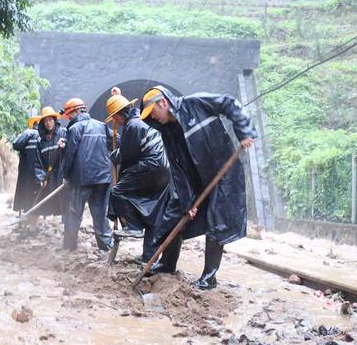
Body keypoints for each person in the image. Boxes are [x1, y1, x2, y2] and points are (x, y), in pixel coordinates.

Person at [140, 86, 257, 289]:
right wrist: (187, 202)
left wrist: (244, 132)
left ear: (163, 102)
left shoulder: (195, 103)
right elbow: (177, 169)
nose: (153, 118)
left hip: (223, 174)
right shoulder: (168, 130)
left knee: (216, 223)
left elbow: (230, 104)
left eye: (152, 113)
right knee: (174, 216)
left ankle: (209, 277)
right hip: (195, 180)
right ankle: (167, 265)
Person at [105, 92, 171, 263]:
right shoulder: (141, 121)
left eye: (115, 117)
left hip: (150, 166)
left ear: (120, 115)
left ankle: (132, 226)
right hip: (163, 170)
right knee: (153, 214)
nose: (115, 122)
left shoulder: (133, 125)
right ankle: (150, 259)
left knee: (117, 192)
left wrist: (115, 155)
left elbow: (127, 154)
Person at [60, 97, 114, 252]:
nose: (69, 118)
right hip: (102, 179)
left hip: (81, 179)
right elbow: (116, 141)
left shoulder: (74, 129)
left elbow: (70, 155)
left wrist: (65, 175)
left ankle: (69, 248)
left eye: (70, 115)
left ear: (77, 111)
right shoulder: (102, 126)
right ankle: (106, 248)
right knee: (100, 214)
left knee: (73, 214)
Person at [34, 106, 67, 216]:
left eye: (50, 120)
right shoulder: (41, 141)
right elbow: (37, 162)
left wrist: (65, 147)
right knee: (48, 204)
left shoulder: (64, 133)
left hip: (62, 175)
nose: (48, 123)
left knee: (64, 203)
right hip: (48, 175)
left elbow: (72, 153)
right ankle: (46, 224)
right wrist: (42, 178)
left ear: (54, 120)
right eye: (45, 121)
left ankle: (65, 226)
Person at [12, 116, 41, 214]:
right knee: (37, 195)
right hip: (41, 172)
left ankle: (25, 216)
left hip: (27, 171)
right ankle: (34, 218)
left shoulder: (29, 133)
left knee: (24, 192)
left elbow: (16, 144)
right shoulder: (46, 136)